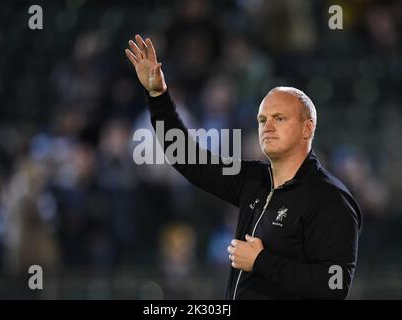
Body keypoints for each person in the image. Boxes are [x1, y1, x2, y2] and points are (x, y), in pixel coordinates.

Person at [125, 34, 362, 300]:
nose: (267, 127)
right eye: (262, 120)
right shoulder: (254, 180)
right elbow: (188, 160)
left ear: (307, 128)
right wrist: (158, 96)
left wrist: (261, 261)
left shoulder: (330, 197)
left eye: (279, 118)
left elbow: (335, 285)